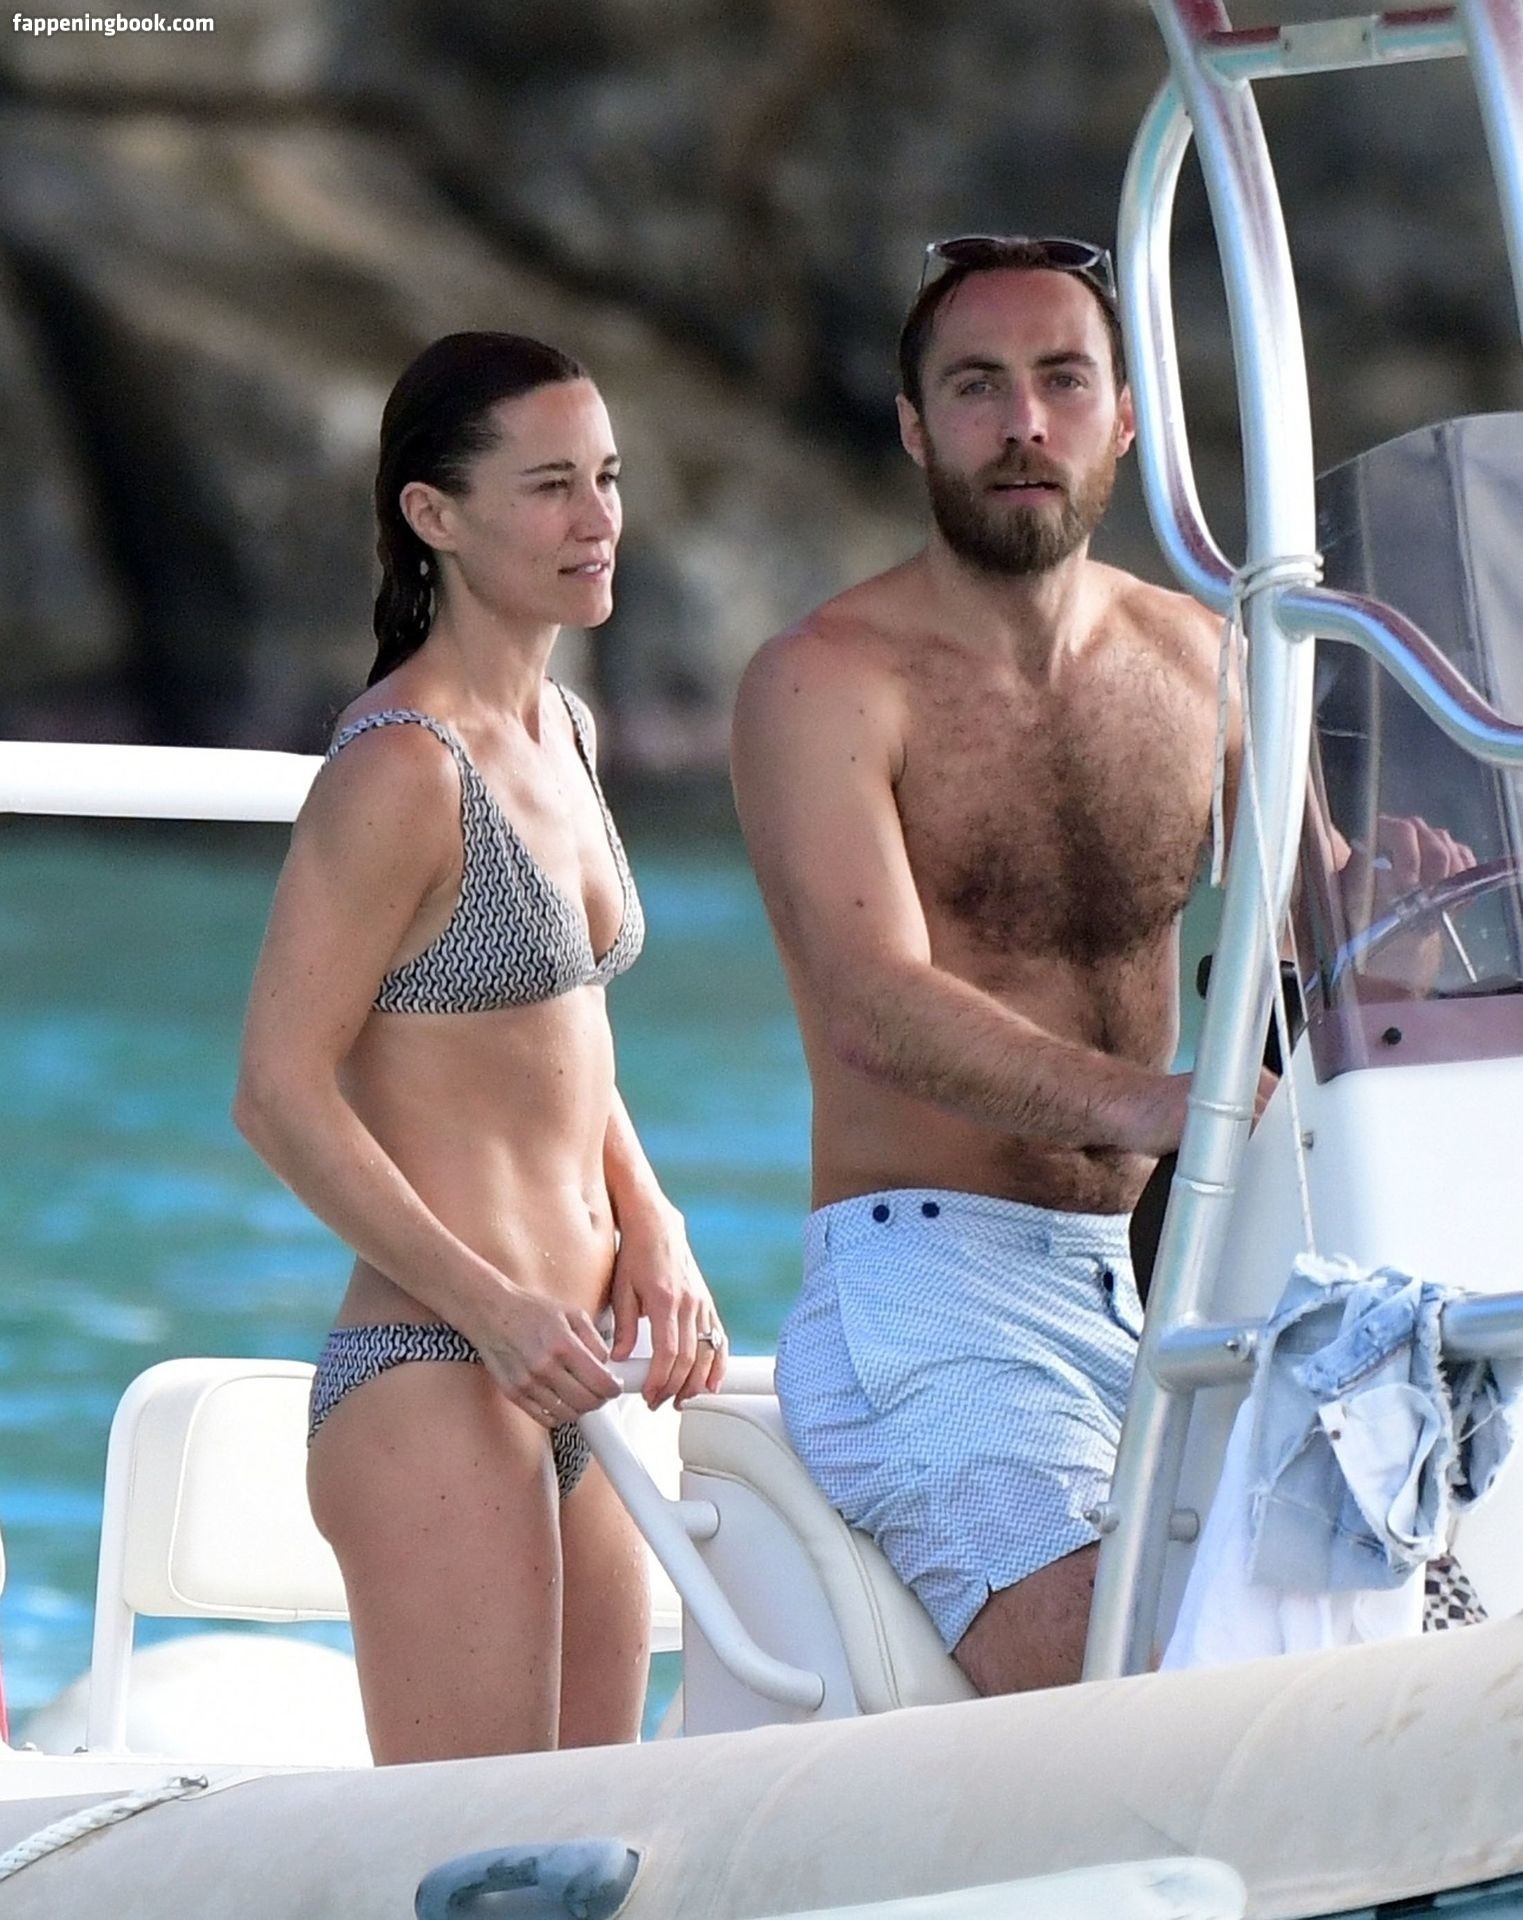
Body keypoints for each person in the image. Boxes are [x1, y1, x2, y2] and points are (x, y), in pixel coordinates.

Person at [730, 234, 1261, 1698]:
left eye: (1062, 380)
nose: (1024, 422)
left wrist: (1401, 886)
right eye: (977, 386)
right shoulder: (825, 679)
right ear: (914, 426)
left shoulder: (1203, 660)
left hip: (1171, 1280)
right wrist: (1156, 1105)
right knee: (1129, 1688)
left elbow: (1327, 916)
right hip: (930, 1288)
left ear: (1125, 416)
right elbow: (872, 1005)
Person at [235, 331, 727, 1762]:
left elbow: (558, 1044)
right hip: (443, 1367)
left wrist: (653, 1219)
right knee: (487, 1856)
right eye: (550, 486)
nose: (597, 519)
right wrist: (495, 1309)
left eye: (608, 479)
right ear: (433, 514)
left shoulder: (565, 728)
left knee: (592, 1837)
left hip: (570, 1370)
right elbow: (277, 1091)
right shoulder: (399, 768)